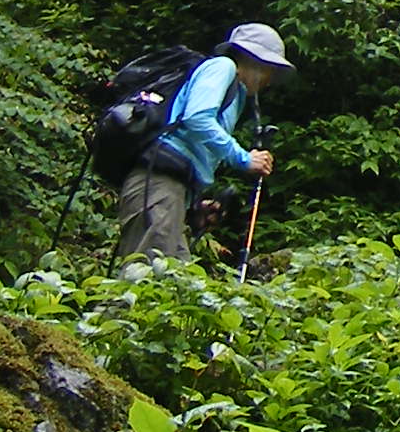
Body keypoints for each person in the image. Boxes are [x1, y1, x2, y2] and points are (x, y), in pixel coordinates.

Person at [114, 22, 294, 265]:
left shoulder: (234, 92)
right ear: (254, 60)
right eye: (269, 69)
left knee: (175, 279)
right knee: (146, 275)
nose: (270, 79)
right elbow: (197, 118)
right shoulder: (223, 67)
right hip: (157, 181)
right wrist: (244, 158)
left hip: (168, 187)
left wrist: (193, 207)